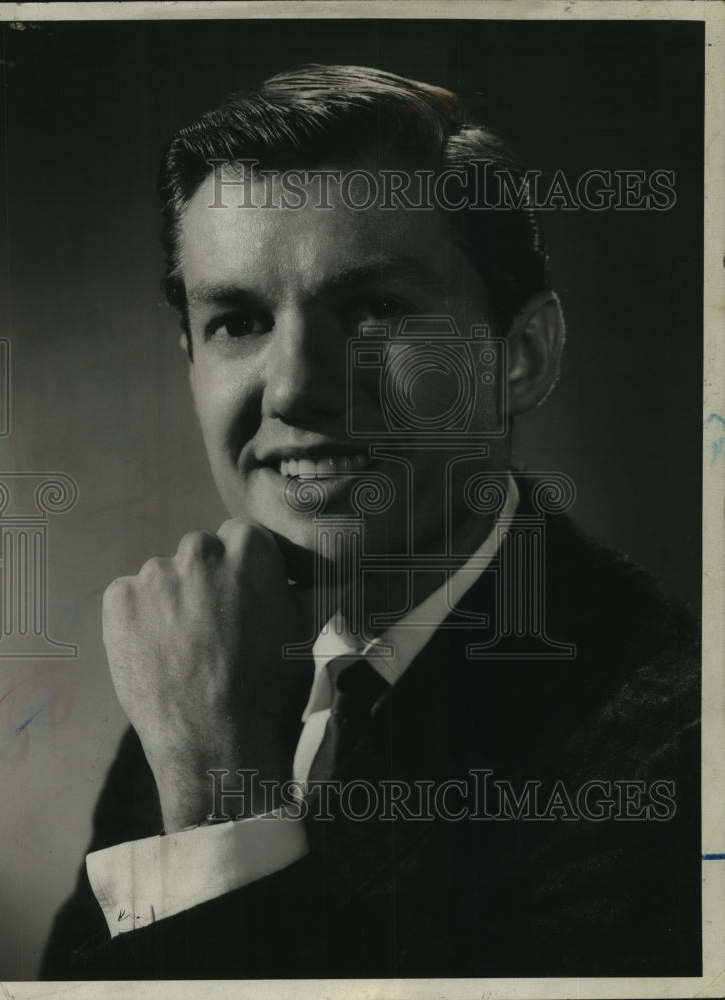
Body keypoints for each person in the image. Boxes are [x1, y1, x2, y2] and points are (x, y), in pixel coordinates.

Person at [41, 64, 700, 979]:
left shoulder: (677, 751)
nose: (295, 387)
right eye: (238, 319)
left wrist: (222, 805)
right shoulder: (205, 681)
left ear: (521, 355)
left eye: (377, 309)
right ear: (190, 355)